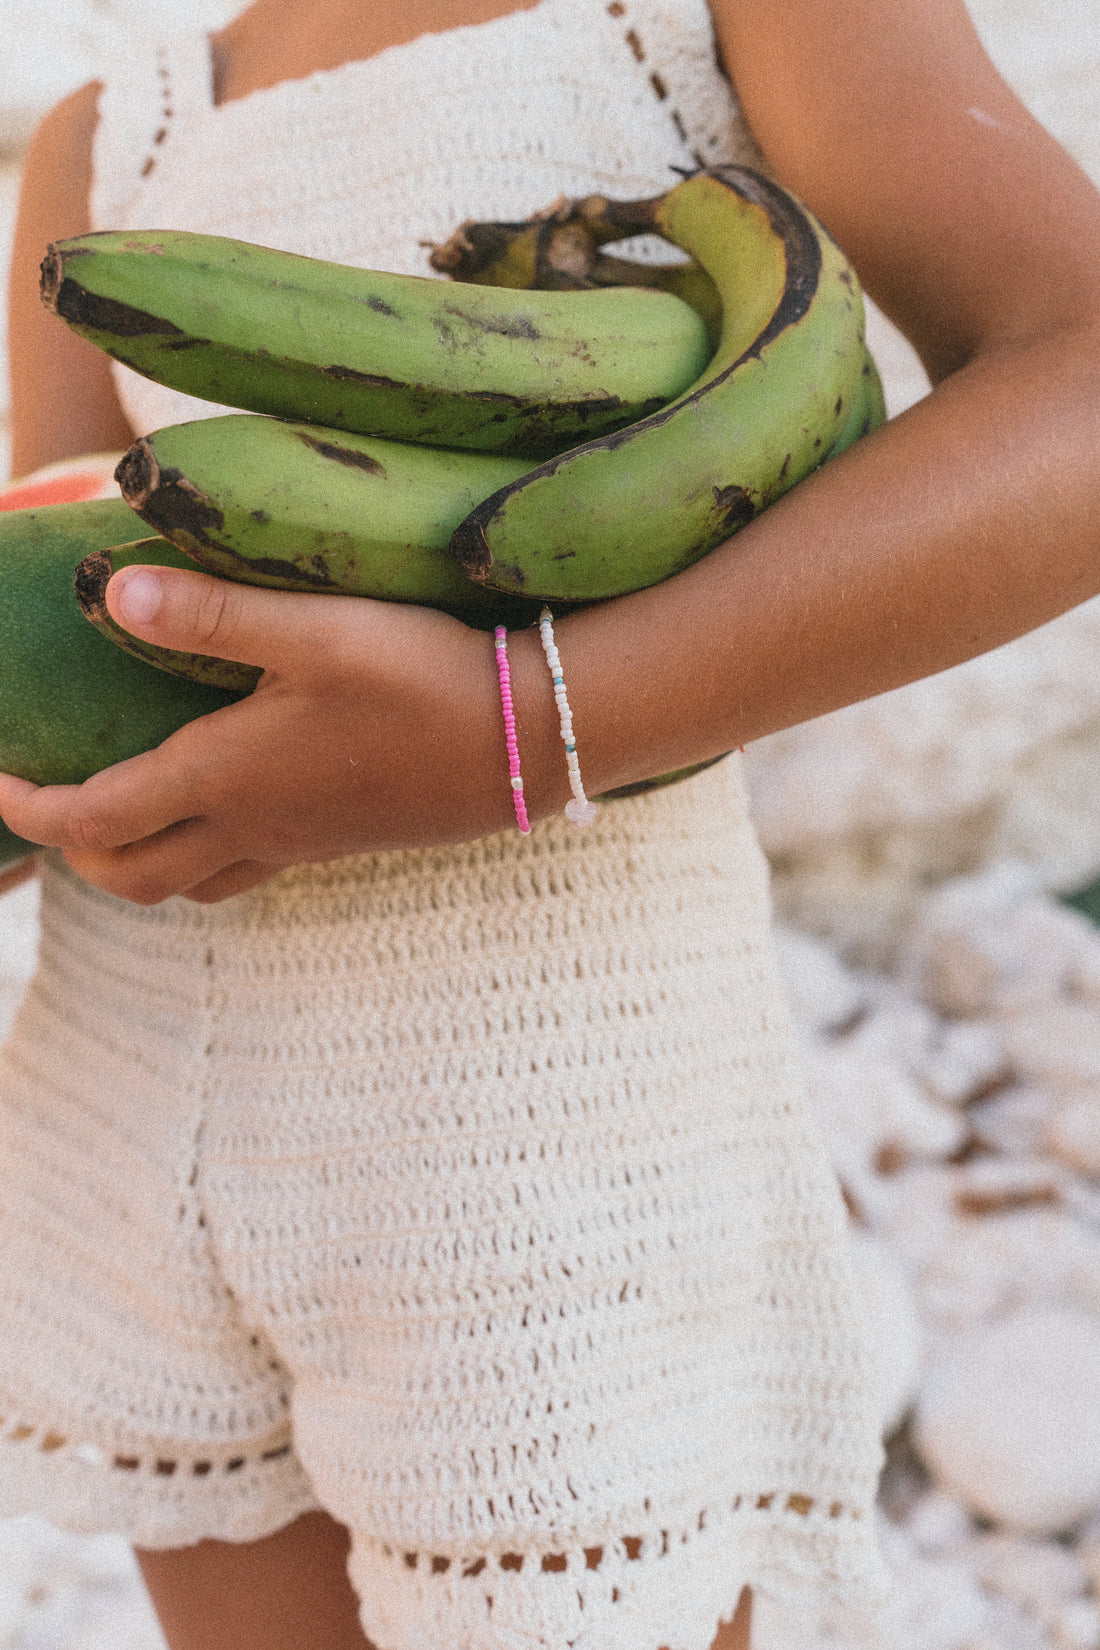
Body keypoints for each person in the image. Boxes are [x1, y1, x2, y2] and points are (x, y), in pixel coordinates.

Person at [1, 0, 1098, 1647]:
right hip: (135, 1131)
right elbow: (64, 613)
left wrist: (534, 725)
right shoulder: (112, 132)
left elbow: (1076, 383)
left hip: (550, 1150)